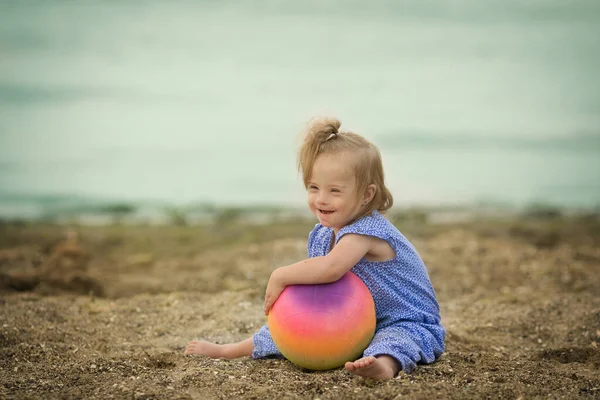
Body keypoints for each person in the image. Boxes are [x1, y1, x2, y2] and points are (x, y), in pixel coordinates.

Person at [185, 117, 445, 379]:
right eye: (314, 188)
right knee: (285, 330)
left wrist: (280, 275)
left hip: (405, 319)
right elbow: (322, 287)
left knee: (397, 340)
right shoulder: (323, 234)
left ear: (366, 195)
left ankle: (384, 365)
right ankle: (230, 350)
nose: (322, 199)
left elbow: (330, 270)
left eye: (335, 190)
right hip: (357, 320)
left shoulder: (367, 231)